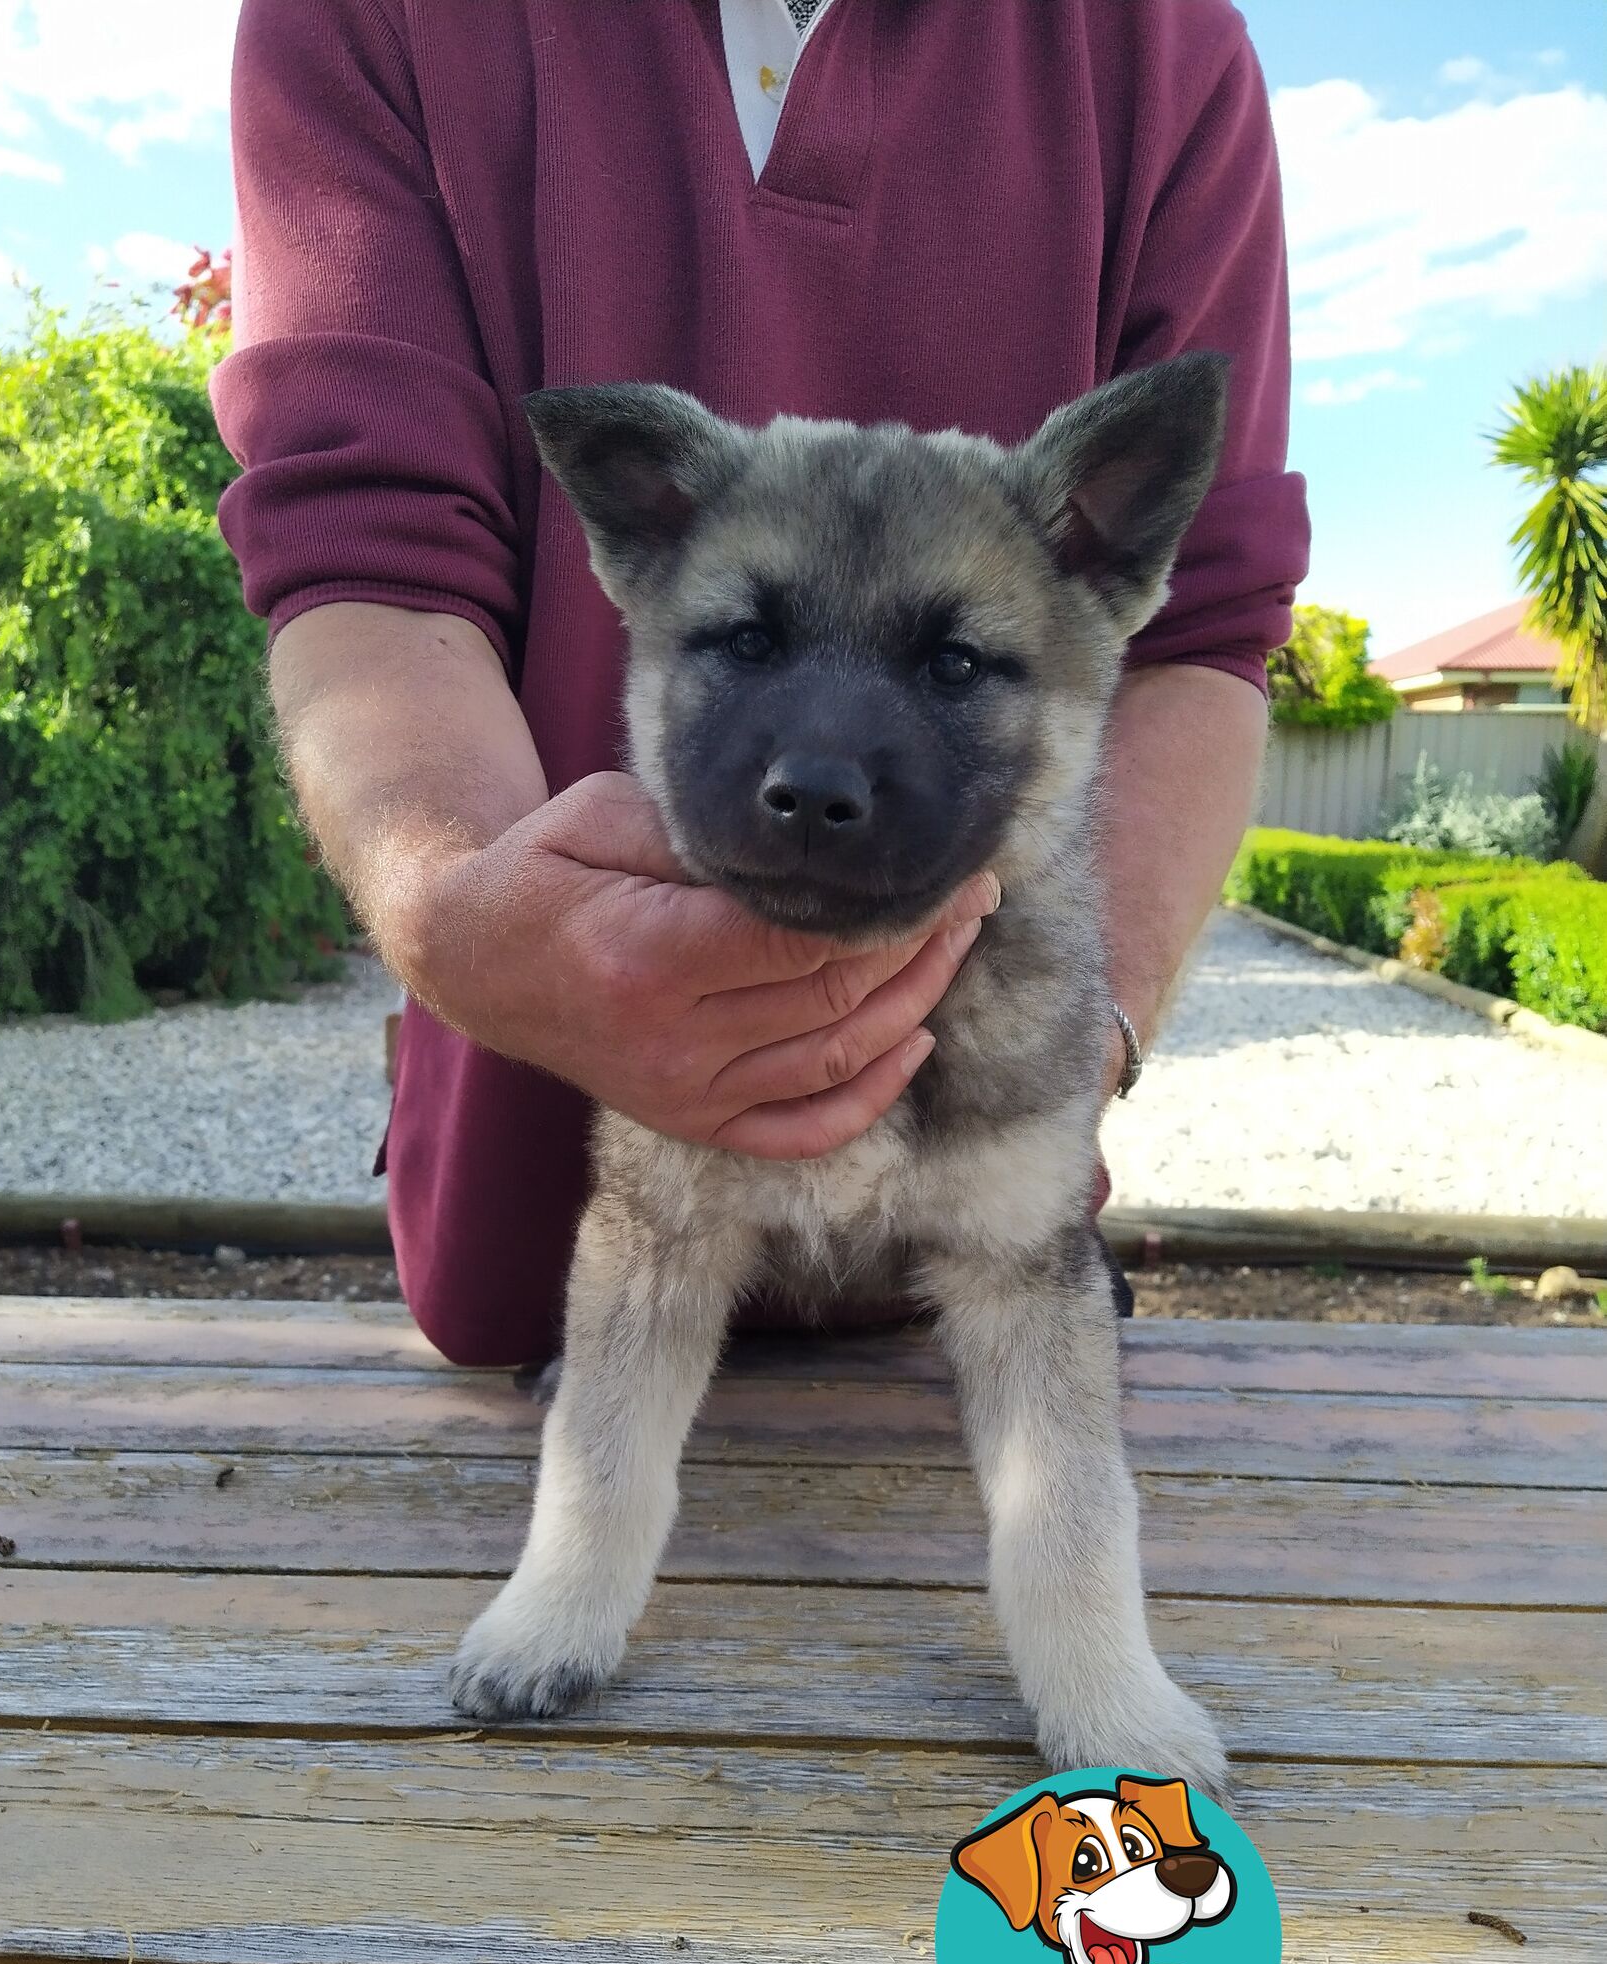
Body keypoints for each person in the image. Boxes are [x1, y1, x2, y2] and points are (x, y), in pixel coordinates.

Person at [212, 0, 1309, 1366]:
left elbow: (1200, 630)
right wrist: (464, 917)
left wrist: (1062, 1057)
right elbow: (365, 545)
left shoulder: (1155, 44)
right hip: (551, 1270)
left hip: (962, 1301)